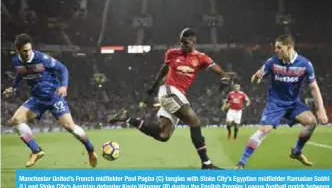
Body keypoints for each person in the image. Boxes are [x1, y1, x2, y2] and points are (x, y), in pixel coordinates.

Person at [109, 28, 233, 169]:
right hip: (168, 91)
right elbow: (164, 69)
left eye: (185, 42)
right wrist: (154, 85)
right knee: (194, 120)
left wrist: (223, 78)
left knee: (163, 135)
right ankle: (206, 164)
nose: (182, 45)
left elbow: (217, 69)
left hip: (180, 95)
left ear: (193, 42)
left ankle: (127, 118)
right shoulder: (172, 53)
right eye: (180, 42)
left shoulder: (201, 58)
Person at [2, 34, 98, 168]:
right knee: (16, 120)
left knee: (70, 127)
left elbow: (63, 68)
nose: (28, 52)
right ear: (18, 50)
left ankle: (91, 150)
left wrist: (64, 85)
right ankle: (36, 150)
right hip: (37, 99)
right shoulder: (16, 61)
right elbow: (20, 73)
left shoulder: (42, 58)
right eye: (24, 51)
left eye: (29, 49)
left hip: (54, 97)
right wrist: (13, 88)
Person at [235, 34, 328, 169]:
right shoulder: (272, 62)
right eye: (275, 47)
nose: (276, 50)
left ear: (289, 47)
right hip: (275, 103)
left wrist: (321, 109)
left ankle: (296, 152)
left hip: (293, 104)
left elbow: (314, 87)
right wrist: (256, 77)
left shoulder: (305, 64)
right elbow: (254, 81)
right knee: (264, 130)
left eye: (279, 47)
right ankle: (241, 163)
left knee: (311, 122)